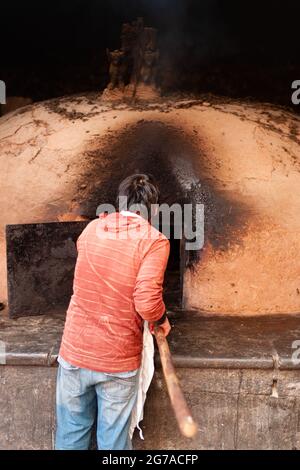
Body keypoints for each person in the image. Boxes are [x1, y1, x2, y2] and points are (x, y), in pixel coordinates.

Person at [55, 174, 171, 450]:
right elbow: (146, 300)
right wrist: (161, 320)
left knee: (70, 435)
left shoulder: (92, 229)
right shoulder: (154, 241)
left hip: (74, 352)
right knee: (113, 443)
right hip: (117, 361)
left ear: (119, 202)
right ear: (153, 209)